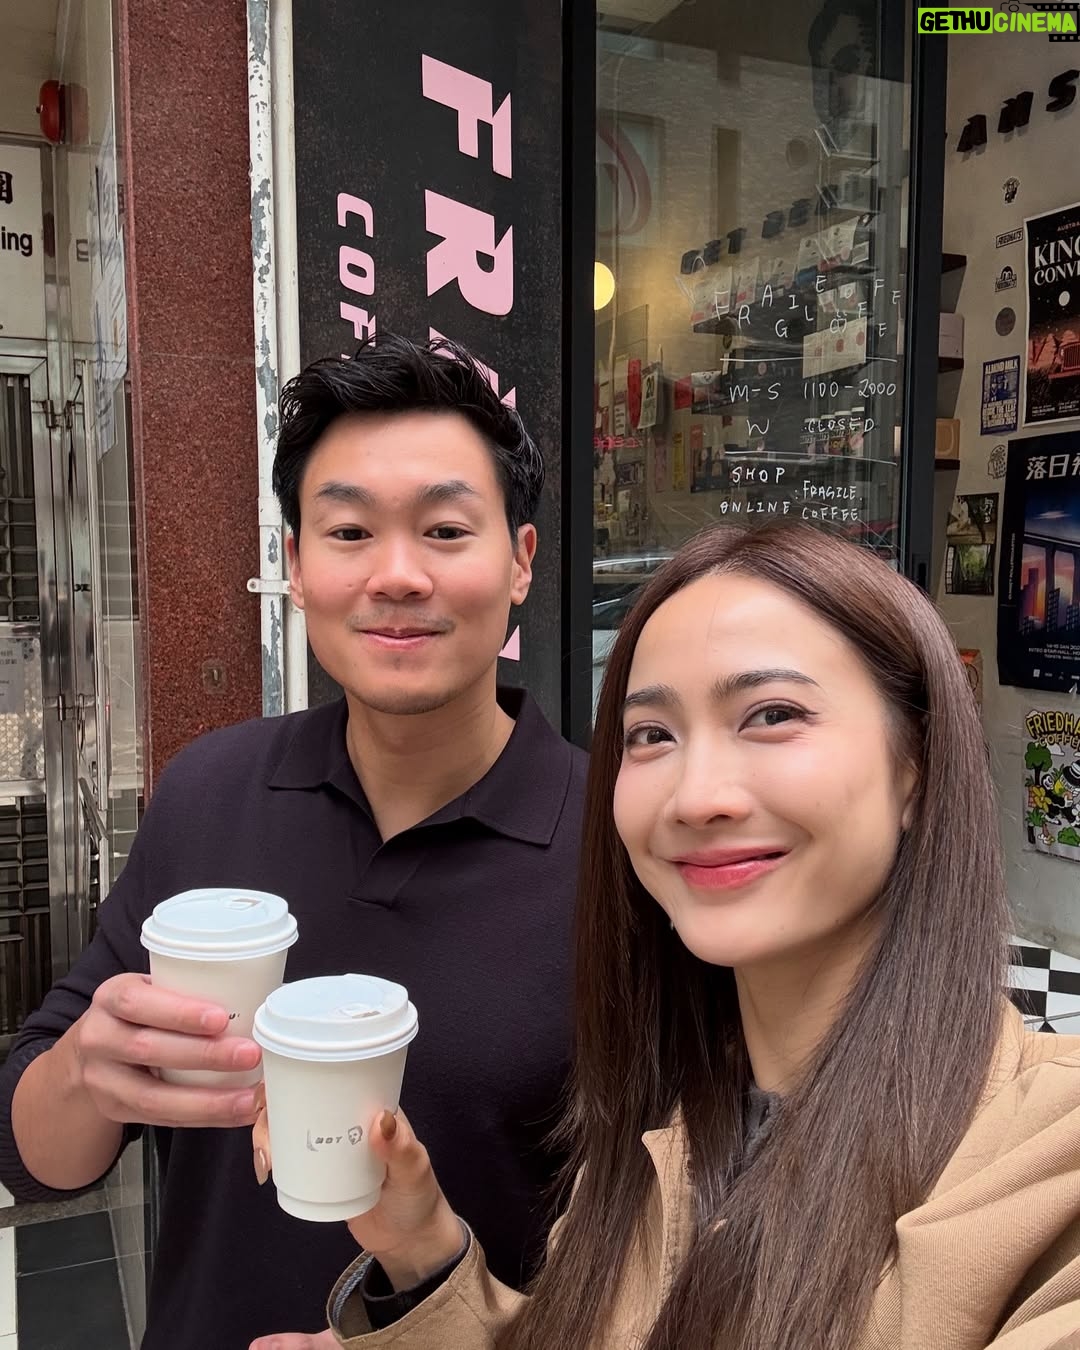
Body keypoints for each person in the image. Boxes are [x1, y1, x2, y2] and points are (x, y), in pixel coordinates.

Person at [268, 520, 1080, 1350]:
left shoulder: (1049, 1162)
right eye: (652, 734)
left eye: (771, 715)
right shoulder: (663, 1134)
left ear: (917, 766)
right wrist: (420, 1250)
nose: (696, 797)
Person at [0, 334, 587, 1350]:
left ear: (521, 562)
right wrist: (86, 1071)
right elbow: (39, 1157)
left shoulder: (617, 844)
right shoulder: (211, 792)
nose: (397, 575)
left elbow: (672, 1234)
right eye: (349, 531)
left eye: (446, 530)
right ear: (297, 567)